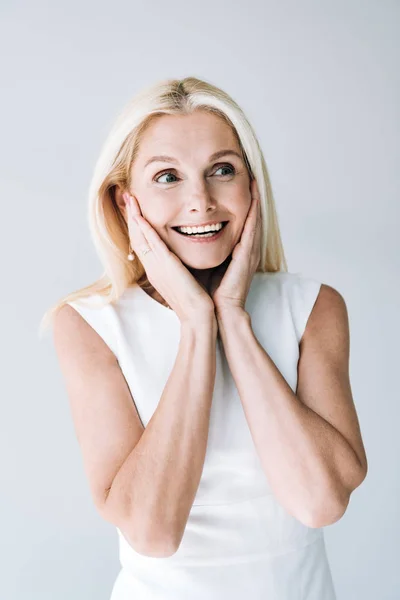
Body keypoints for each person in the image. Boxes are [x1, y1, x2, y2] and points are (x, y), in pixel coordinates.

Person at [41, 76, 368, 599]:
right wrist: (197, 325)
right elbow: (152, 530)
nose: (201, 200)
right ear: (128, 204)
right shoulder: (88, 326)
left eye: (222, 170)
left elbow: (320, 501)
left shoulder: (313, 307)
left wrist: (232, 319)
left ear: (251, 187)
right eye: (167, 176)